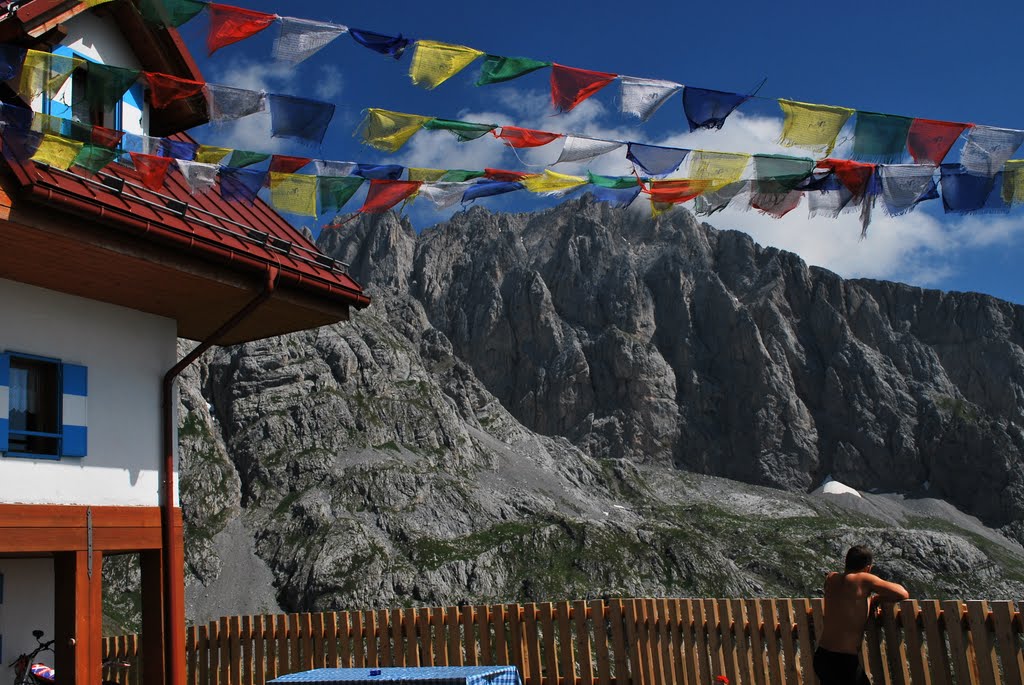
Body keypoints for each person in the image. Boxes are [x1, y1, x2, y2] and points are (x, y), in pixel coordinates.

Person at [813, 545, 909, 685]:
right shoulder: (864, 579)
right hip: (843, 662)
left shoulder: (831, 578)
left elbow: (847, 601)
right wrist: (877, 598)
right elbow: (903, 593)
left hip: (822, 656)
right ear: (868, 568)